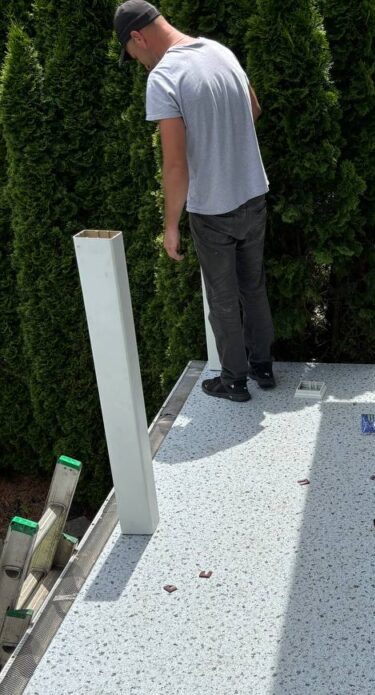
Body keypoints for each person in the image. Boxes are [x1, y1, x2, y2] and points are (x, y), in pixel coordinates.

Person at [113, 0, 275, 402]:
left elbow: (174, 165)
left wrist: (170, 226)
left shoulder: (165, 77)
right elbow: (254, 109)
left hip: (213, 208)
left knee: (222, 297)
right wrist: (224, 138)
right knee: (253, 286)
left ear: (138, 36)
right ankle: (264, 369)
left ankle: (234, 381)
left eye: (133, 55)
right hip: (254, 193)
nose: (139, 64)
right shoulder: (220, 51)